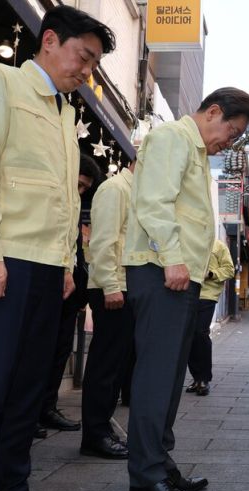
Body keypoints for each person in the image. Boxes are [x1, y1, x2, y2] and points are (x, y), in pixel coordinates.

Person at [0, 5, 115, 491]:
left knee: (26, 392)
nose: (85, 71)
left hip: (47, 270)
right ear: (48, 40)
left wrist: (66, 263)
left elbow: (64, 199)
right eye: (82, 57)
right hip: (2, 260)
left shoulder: (65, 113)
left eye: (92, 63)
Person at [122, 87, 249, 491]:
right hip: (164, 270)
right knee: (155, 378)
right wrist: (175, 260)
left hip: (181, 275)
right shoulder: (171, 139)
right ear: (213, 111)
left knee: (170, 379)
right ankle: (145, 478)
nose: (229, 142)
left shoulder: (196, 153)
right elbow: (154, 204)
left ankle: (159, 464)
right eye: (230, 131)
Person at [38, 154, 102, 436]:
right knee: (37, 351)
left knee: (59, 350)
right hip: (44, 282)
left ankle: (45, 408)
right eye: (77, 184)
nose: (79, 192)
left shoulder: (73, 207)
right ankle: (31, 413)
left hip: (69, 290)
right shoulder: (50, 198)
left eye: (84, 188)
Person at [80, 160, 137, 459]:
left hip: (124, 286)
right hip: (111, 286)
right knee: (105, 364)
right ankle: (95, 434)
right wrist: (110, 285)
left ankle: (102, 428)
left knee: (116, 365)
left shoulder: (136, 191)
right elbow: (102, 242)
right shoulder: (115, 189)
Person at [185, 238, 235, 396]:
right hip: (186, 293)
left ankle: (204, 378)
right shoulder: (187, 240)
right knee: (189, 336)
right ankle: (196, 377)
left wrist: (211, 274)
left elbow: (229, 270)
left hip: (207, 295)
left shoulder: (219, 246)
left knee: (200, 333)